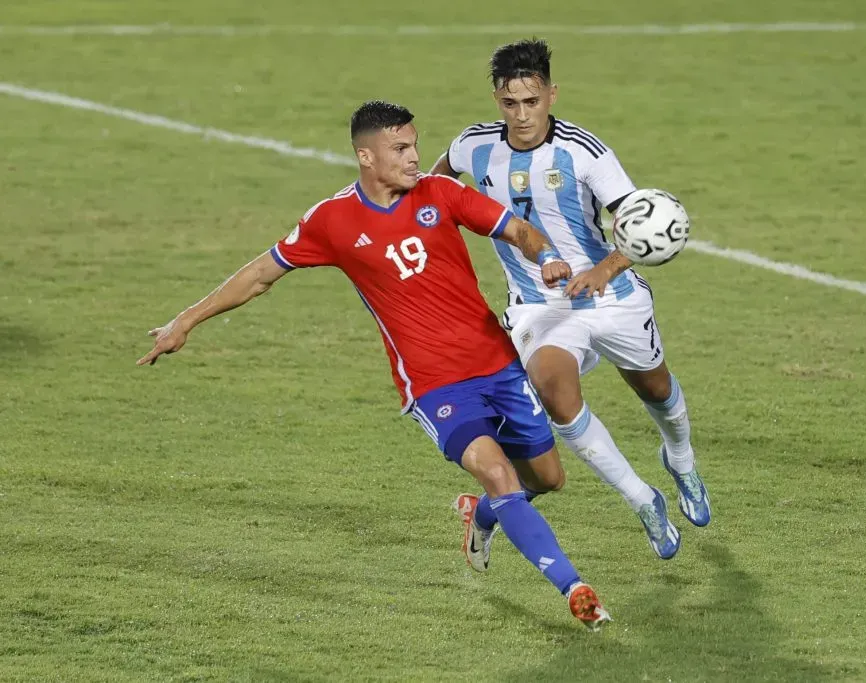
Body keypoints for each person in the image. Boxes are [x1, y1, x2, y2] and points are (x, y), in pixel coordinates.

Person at [137, 100, 611, 631]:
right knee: (499, 472)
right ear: (366, 156)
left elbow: (518, 231)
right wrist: (187, 320)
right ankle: (576, 589)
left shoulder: (442, 193)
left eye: (415, 145)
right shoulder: (332, 221)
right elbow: (260, 276)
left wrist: (546, 257)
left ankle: (479, 515)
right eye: (401, 149)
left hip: (497, 364)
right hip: (432, 383)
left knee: (545, 479)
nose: (416, 158)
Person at [432, 39, 711, 565]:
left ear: (551, 94)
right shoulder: (473, 146)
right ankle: (643, 499)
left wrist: (603, 269)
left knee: (658, 391)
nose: (521, 115)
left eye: (531, 101)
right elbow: (433, 186)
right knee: (553, 387)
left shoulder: (585, 151)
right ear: (497, 99)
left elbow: (640, 223)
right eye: (509, 103)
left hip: (613, 296)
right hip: (539, 307)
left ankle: (680, 459)